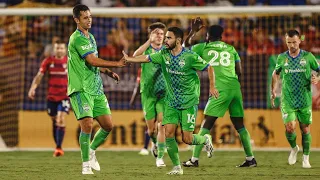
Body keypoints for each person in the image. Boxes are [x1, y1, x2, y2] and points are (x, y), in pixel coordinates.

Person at [123, 26, 215, 175]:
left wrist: (212, 87)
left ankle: (205, 140)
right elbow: (146, 58)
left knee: (187, 138)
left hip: (188, 102)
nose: (165, 40)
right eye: (165, 37)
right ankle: (177, 167)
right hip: (171, 101)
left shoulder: (189, 56)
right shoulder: (164, 54)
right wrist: (130, 59)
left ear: (178, 41)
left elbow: (209, 67)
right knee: (168, 133)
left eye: (169, 37)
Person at [182, 18, 257, 167]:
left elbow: (183, 48)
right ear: (222, 37)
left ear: (208, 36)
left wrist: (192, 32)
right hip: (235, 88)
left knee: (206, 124)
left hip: (219, 89)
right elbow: (239, 71)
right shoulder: (231, 49)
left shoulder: (203, 47)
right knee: (240, 125)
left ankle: (194, 160)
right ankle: (250, 159)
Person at [68, 4, 126, 175]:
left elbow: (92, 63)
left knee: (108, 126)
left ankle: (92, 150)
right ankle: (85, 165)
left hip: (96, 88)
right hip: (81, 88)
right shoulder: (77, 38)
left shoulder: (91, 37)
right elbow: (93, 60)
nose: (89, 20)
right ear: (76, 20)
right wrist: (117, 63)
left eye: (90, 17)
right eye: (85, 17)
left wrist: (108, 72)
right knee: (87, 126)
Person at [271, 29, 320, 168]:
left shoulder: (308, 56)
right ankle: (294, 148)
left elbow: (319, 69)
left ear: (299, 40)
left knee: (305, 129)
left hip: (304, 100)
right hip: (288, 100)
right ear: (286, 42)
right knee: (290, 127)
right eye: (289, 42)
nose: (292, 45)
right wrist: (273, 90)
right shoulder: (281, 58)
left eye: (294, 42)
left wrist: (317, 77)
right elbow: (275, 74)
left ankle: (306, 158)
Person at [131, 22, 167, 167]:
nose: (159, 36)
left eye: (161, 34)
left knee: (162, 124)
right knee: (151, 129)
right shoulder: (145, 50)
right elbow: (134, 56)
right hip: (147, 93)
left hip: (163, 93)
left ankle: (160, 157)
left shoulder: (167, 50)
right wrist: (149, 41)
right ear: (150, 35)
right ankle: (154, 142)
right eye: (156, 33)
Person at [28, 40, 69, 157]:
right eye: (57, 48)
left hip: (65, 96)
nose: (59, 50)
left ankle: (59, 148)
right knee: (54, 120)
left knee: (60, 119)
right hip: (51, 97)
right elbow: (39, 76)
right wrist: (33, 88)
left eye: (61, 48)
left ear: (65, 50)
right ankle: (58, 143)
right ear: (54, 49)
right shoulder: (48, 61)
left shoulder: (70, 61)